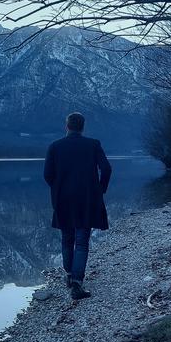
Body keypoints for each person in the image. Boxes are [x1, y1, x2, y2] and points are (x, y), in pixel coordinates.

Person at [43, 112, 112, 300]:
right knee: (81, 241)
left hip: (63, 199)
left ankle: (69, 275)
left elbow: (48, 175)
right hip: (87, 198)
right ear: (82, 127)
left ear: (67, 126)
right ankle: (77, 283)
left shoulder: (55, 147)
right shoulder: (93, 144)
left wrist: (58, 188)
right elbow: (106, 169)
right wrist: (100, 189)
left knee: (67, 238)